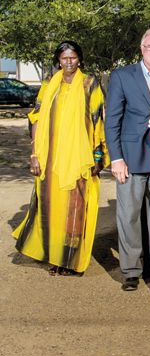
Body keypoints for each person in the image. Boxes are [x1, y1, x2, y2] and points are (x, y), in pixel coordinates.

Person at [13, 41, 109, 276]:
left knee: (75, 210)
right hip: (50, 159)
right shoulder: (49, 85)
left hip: (79, 160)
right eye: (64, 58)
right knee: (52, 210)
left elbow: (98, 121)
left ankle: (72, 260)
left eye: (73, 58)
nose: (68, 62)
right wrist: (35, 155)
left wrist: (98, 156)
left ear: (80, 59)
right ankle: (55, 257)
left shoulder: (90, 84)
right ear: (58, 60)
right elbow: (35, 119)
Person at [106, 28, 150, 291]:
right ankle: (131, 270)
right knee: (129, 215)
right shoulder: (123, 76)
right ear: (142, 49)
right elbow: (112, 121)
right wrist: (117, 158)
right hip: (131, 157)